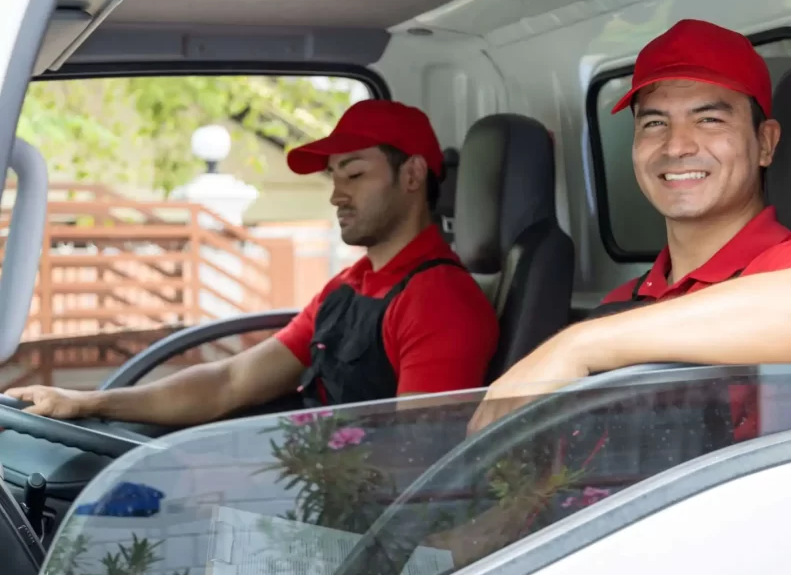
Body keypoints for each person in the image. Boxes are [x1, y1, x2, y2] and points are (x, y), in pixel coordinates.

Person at [467, 19, 791, 433]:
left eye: (709, 120)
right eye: (654, 123)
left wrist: (578, 345)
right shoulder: (621, 303)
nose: (677, 145)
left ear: (765, 143)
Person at [6, 99, 499, 426]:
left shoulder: (438, 301)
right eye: (333, 177)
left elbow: (420, 459)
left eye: (353, 174)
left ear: (412, 175)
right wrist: (89, 402)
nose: (336, 195)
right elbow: (230, 382)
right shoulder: (350, 285)